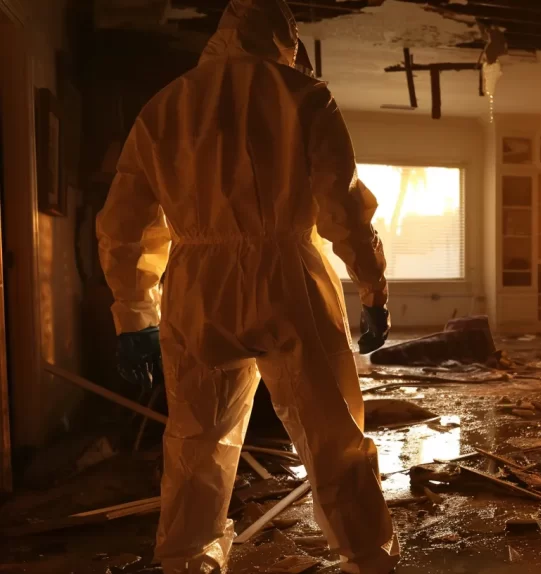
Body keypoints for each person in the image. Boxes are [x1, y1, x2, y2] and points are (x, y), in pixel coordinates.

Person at [95, 0, 399, 572]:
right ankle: (368, 559)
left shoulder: (165, 108)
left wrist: (133, 313)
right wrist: (373, 289)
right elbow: (343, 209)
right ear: (286, 38)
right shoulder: (305, 96)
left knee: (196, 441)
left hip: (197, 288)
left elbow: (125, 223)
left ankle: (188, 560)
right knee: (332, 435)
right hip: (290, 279)